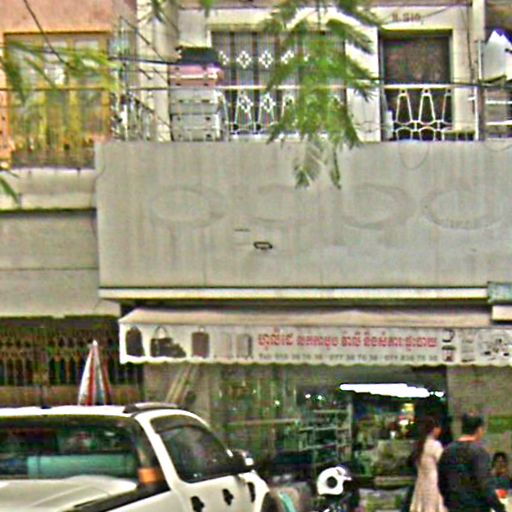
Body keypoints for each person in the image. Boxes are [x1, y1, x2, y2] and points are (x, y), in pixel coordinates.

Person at [438, 414, 506, 512]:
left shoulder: (447, 451)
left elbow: (442, 482)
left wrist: (449, 503)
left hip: (455, 507)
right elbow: (485, 485)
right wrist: (499, 508)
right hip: (476, 507)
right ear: (479, 430)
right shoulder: (479, 452)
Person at [409, 417, 446, 512]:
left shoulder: (419, 445)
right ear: (434, 429)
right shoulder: (435, 445)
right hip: (434, 482)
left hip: (421, 482)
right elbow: (443, 463)